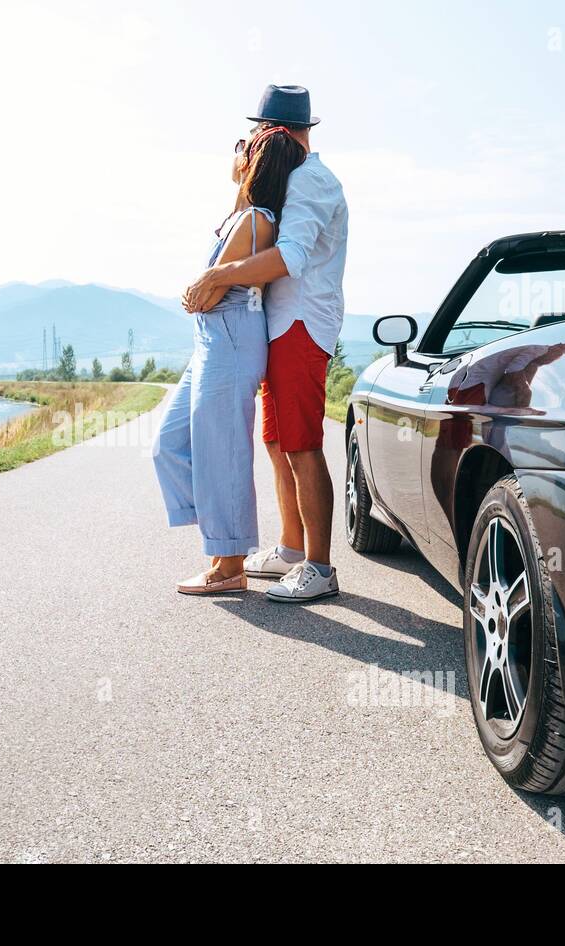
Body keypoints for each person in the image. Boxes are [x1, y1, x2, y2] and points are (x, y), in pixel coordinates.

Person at [182, 84, 349, 603]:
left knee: (302, 445)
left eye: (256, 130)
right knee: (276, 444)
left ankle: (320, 567)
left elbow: (292, 256)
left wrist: (219, 276)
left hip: (301, 324)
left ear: (275, 130)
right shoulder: (293, 177)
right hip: (276, 326)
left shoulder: (313, 180)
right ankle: (292, 549)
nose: (251, 140)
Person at [152, 122, 307, 595]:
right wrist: (206, 286)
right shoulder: (241, 218)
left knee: (223, 450)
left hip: (231, 337)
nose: (235, 151)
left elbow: (207, 292)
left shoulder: (257, 220)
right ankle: (222, 532)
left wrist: (206, 285)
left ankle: (229, 563)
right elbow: (206, 289)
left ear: (252, 162)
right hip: (212, 341)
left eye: (243, 146)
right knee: (169, 444)